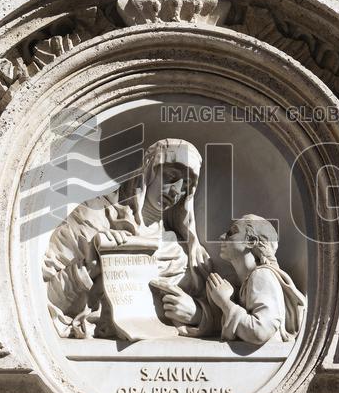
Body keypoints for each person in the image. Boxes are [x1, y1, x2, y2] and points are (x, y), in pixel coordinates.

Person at [44, 138, 218, 339]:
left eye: (186, 185)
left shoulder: (181, 252)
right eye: (171, 177)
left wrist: (197, 314)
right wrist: (89, 267)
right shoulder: (92, 218)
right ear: (149, 171)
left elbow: (222, 307)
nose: (176, 191)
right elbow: (46, 298)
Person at [206, 215, 306, 344]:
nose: (221, 237)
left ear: (251, 241)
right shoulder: (244, 283)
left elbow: (260, 331)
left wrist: (225, 302)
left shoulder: (261, 275)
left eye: (232, 232)